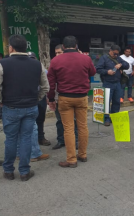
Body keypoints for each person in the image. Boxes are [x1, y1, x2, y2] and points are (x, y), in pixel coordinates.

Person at [0, 34, 49, 181]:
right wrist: (36, 99)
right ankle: (25, 172)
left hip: (10, 107)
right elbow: (45, 87)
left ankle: (8, 171)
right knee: (26, 138)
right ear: (26, 48)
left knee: (11, 139)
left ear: (11, 48)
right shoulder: (37, 64)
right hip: (31, 107)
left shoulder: (2, 64)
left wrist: (0, 101)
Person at [47, 35, 96, 168]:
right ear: (76, 46)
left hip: (65, 97)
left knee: (68, 128)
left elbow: (51, 83)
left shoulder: (56, 61)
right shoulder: (85, 58)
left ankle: (71, 159)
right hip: (82, 97)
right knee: (83, 126)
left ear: (63, 47)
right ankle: (83, 154)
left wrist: (51, 98)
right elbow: (93, 72)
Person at [52, 44, 79, 150]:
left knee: (74, 120)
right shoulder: (54, 63)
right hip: (57, 97)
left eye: (59, 52)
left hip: (71, 97)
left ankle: (75, 140)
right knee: (59, 120)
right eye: (56, 53)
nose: (57, 55)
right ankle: (61, 140)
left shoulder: (72, 64)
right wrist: (50, 98)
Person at [96, 45, 129, 127]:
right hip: (108, 82)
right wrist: (107, 72)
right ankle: (106, 119)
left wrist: (120, 65)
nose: (115, 55)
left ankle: (114, 117)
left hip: (117, 83)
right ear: (110, 51)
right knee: (107, 101)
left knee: (117, 101)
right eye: (114, 53)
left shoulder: (118, 58)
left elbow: (127, 65)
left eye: (117, 54)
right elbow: (98, 69)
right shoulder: (104, 58)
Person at [28, 52, 51, 147]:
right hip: (29, 97)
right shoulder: (24, 68)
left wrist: (46, 97)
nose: (31, 60)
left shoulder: (41, 68)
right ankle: (31, 141)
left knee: (40, 118)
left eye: (33, 58)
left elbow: (47, 83)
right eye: (30, 58)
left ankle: (41, 137)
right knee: (29, 121)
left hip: (40, 96)